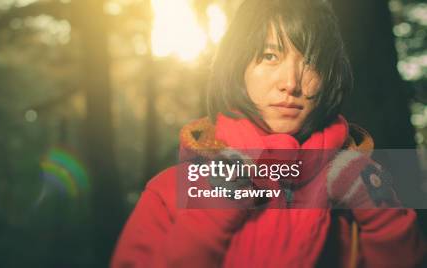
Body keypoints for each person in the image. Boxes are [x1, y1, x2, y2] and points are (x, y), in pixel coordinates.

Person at [110, 0, 426, 267]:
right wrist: (209, 210)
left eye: (311, 62)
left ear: (330, 77)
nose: (290, 82)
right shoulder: (168, 192)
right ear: (237, 68)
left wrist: (379, 213)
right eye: (270, 56)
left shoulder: (363, 190)